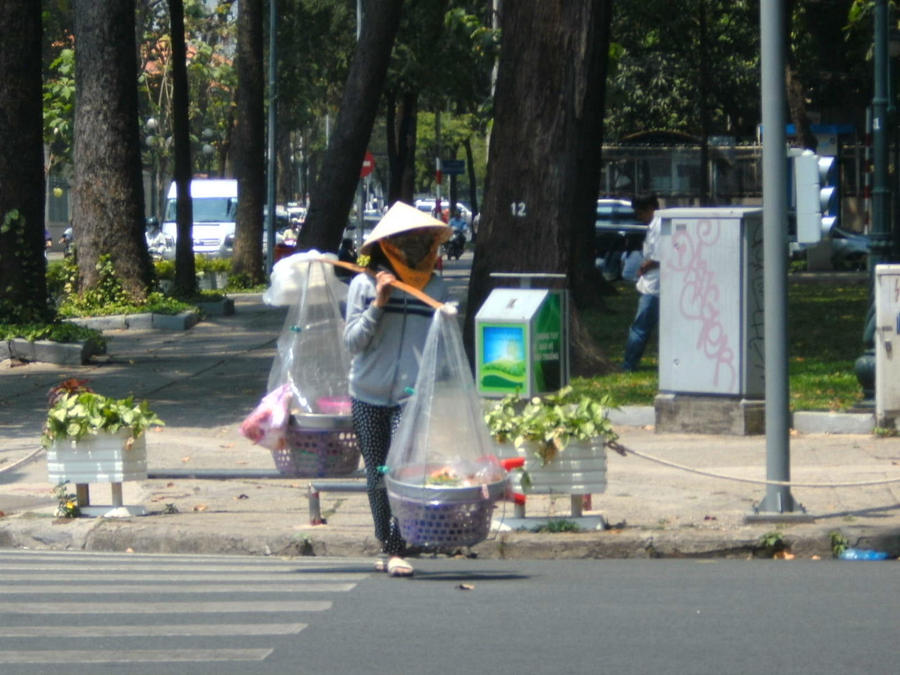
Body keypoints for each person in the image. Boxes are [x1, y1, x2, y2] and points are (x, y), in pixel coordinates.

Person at [343, 201, 451, 577]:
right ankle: (386, 542)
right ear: (388, 245)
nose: (417, 248)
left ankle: (397, 546)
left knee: (403, 471)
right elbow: (353, 342)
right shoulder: (362, 283)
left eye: (423, 241)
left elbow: (444, 346)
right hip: (367, 393)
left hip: (413, 395)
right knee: (376, 474)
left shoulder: (435, 287)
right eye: (408, 241)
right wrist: (379, 303)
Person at [623, 193, 661, 372]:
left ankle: (629, 365)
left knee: (640, 327)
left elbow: (659, 256)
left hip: (655, 285)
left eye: (640, 213)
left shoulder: (660, 225)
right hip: (653, 283)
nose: (639, 217)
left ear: (650, 209)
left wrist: (644, 266)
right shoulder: (655, 225)